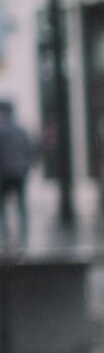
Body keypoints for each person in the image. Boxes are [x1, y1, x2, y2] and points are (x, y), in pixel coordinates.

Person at [0, 98, 32, 252]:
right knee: (22, 207)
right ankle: (23, 237)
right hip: (19, 172)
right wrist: (25, 167)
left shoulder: (1, 131)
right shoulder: (22, 130)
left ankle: (6, 236)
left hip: (4, 173)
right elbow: (29, 151)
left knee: (2, 207)